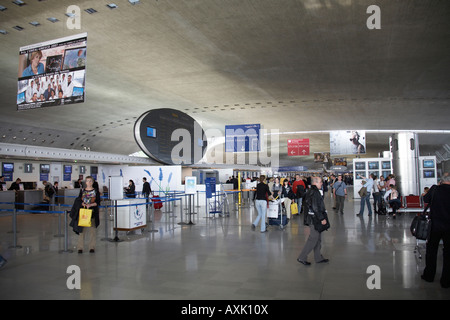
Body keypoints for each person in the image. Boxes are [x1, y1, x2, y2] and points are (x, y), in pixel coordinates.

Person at [421, 174, 450, 288]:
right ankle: (446, 280)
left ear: (441, 181)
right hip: (449, 226)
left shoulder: (435, 189)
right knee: (448, 253)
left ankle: (429, 275)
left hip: (435, 225)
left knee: (431, 251)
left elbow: (425, 199)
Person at [297, 176, 329, 265]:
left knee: (318, 238)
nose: (321, 183)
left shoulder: (311, 191)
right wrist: (322, 218)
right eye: (320, 182)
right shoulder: (315, 192)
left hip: (313, 218)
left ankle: (318, 257)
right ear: (315, 183)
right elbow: (315, 207)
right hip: (314, 219)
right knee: (313, 238)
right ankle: (302, 257)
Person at [69, 176, 101, 253]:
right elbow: (79, 200)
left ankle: (91, 247)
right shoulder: (82, 191)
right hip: (83, 213)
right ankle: (80, 247)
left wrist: (91, 205)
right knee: (81, 231)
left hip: (92, 213)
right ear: (85, 182)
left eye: (90, 181)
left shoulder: (96, 191)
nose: (89, 182)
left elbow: (98, 202)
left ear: (92, 182)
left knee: (92, 231)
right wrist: (82, 203)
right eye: (87, 181)